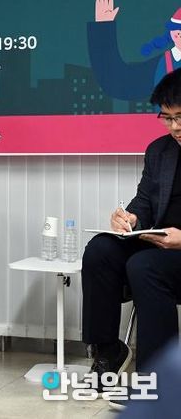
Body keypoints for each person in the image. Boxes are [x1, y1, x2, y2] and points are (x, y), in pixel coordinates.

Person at [82, 67, 181, 392]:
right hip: (162, 247)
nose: (174, 127)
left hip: (170, 254)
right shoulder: (159, 151)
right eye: (167, 118)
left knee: (143, 265)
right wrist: (131, 218)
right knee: (100, 249)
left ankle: (159, 379)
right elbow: (145, 202)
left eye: (180, 117)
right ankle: (108, 351)